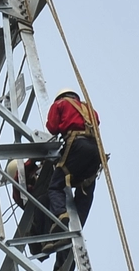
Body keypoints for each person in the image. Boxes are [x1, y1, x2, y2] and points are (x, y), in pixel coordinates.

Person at [40, 88, 102, 258]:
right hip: (96, 151)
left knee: (56, 186)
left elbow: (52, 127)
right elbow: (97, 123)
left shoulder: (59, 104)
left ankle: (61, 216)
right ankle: (78, 225)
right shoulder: (89, 109)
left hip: (76, 144)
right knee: (86, 188)